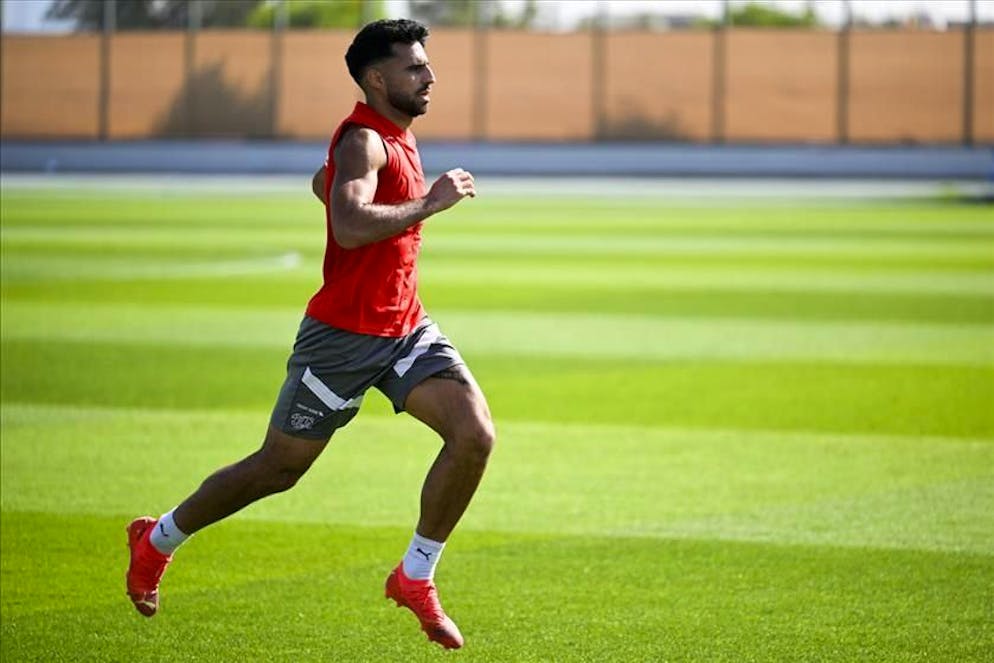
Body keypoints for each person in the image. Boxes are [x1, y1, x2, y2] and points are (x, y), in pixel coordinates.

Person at [125, 18, 494, 650]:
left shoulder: (393, 136)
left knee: (474, 434)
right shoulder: (365, 139)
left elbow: (326, 186)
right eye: (413, 67)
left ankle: (415, 575)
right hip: (342, 341)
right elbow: (348, 224)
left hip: (404, 327)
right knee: (277, 470)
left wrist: (335, 185)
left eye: (426, 64)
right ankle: (157, 539)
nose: (429, 76)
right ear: (376, 79)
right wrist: (430, 202)